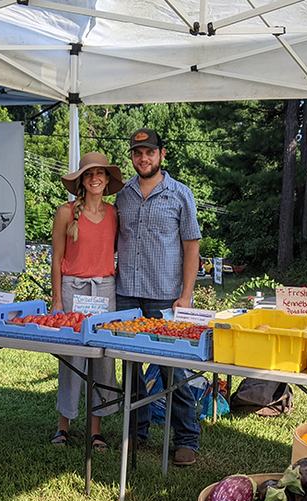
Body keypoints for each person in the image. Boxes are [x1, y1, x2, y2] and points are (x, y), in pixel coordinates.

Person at [115, 128, 202, 466]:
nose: (143, 158)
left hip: (166, 297)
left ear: (162, 154)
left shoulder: (180, 195)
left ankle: (186, 437)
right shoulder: (122, 196)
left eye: (149, 152)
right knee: (131, 367)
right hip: (126, 295)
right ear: (133, 157)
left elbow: (191, 246)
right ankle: (136, 430)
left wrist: (186, 295)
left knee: (172, 370)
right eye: (138, 153)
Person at [50, 151, 123, 448]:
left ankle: (96, 428)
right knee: (71, 357)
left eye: (100, 174)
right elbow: (56, 259)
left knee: (102, 360)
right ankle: (63, 425)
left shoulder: (114, 214)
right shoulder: (65, 212)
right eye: (89, 174)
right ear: (81, 180)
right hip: (72, 288)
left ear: (107, 181)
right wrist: (57, 299)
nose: (95, 178)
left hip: (104, 289)